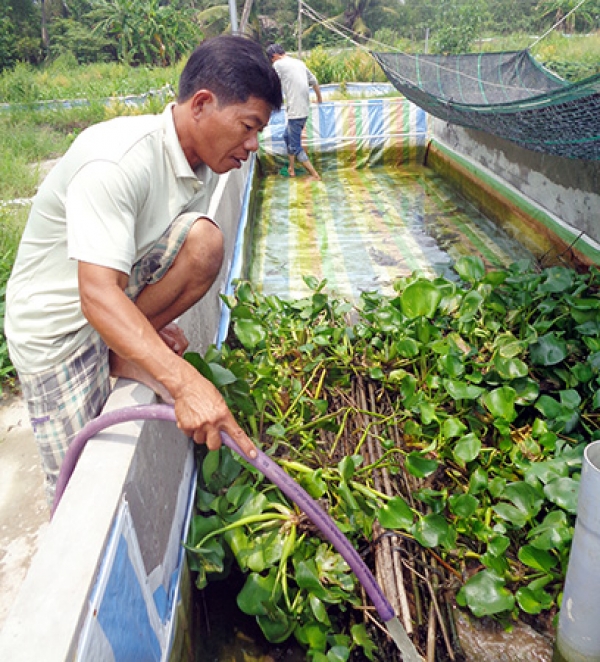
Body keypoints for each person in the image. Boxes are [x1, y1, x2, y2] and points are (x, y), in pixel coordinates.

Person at [4, 35, 283, 505]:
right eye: (248, 126)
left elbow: (164, 249)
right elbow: (96, 295)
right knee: (80, 488)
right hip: (58, 330)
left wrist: (147, 334)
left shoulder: (207, 162)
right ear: (202, 104)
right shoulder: (115, 161)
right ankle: (125, 345)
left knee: (204, 241)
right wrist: (183, 380)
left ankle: (123, 348)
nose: (252, 145)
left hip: (105, 291)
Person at [266, 43, 323, 181]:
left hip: (295, 112)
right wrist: (319, 99)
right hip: (303, 110)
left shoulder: (278, 65)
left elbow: (271, 84)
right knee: (287, 136)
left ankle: (315, 175)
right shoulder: (299, 63)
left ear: (274, 56)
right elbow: (314, 81)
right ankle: (291, 168)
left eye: (270, 60)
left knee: (296, 146)